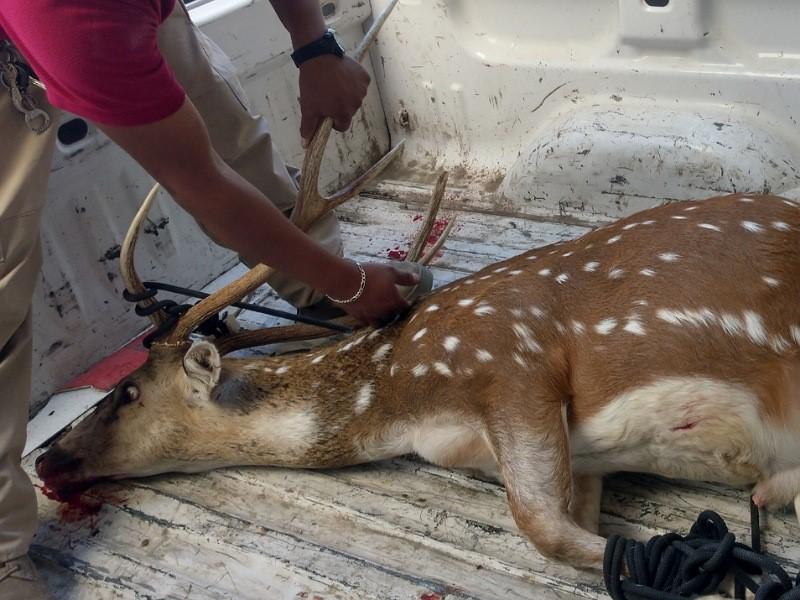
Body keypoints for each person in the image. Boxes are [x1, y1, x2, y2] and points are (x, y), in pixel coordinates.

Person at [0, 1, 431, 597]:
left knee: (233, 141)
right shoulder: (78, 17)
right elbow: (202, 184)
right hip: (29, 48)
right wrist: (350, 281)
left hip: (132, 16)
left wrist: (315, 46)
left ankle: (319, 299)